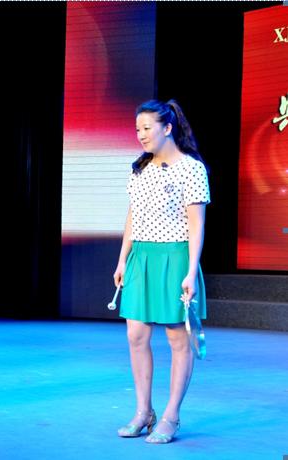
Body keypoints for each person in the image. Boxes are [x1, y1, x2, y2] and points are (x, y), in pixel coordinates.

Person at [113, 99, 210, 443]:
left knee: (176, 337)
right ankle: (144, 412)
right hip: (141, 256)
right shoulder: (139, 168)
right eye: (137, 129)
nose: (140, 134)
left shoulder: (191, 168)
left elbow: (196, 225)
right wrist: (122, 259)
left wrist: (191, 270)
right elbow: (132, 216)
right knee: (136, 335)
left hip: (175, 257)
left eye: (147, 128)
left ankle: (171, 416)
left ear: (167, 128)